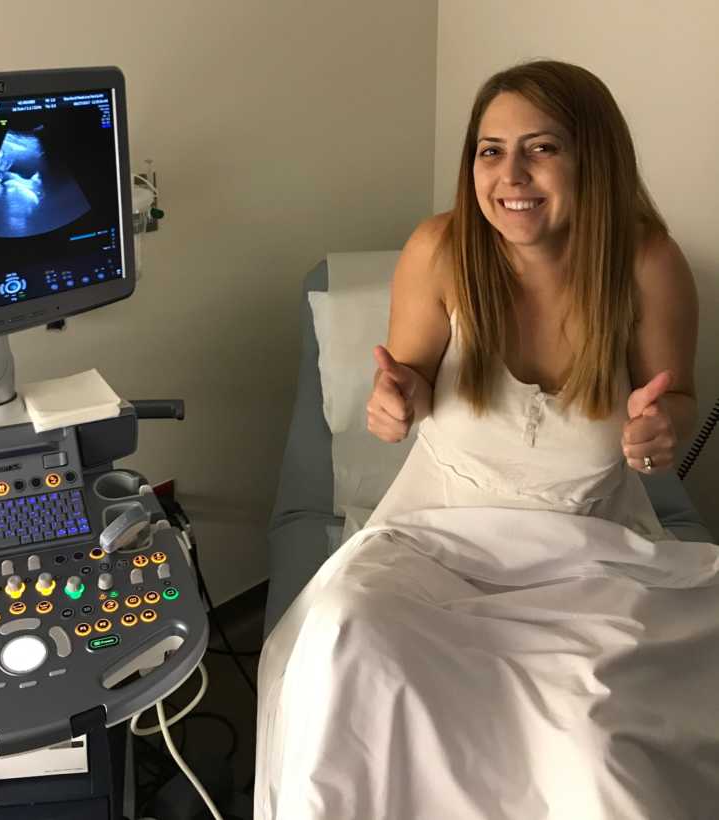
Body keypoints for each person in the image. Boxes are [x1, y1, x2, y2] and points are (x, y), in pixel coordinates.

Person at [255, 60, 719, 820]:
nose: (512, 175)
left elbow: (680, 398)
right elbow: (405, 380)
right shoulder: (441, 251)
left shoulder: (647, 265)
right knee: (350, 646)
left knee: (588, 740)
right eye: (490, 150)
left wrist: (661, 431)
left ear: (593, 157)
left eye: (542, 149)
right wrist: (394, 400)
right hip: (435, 540)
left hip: (588, 554)